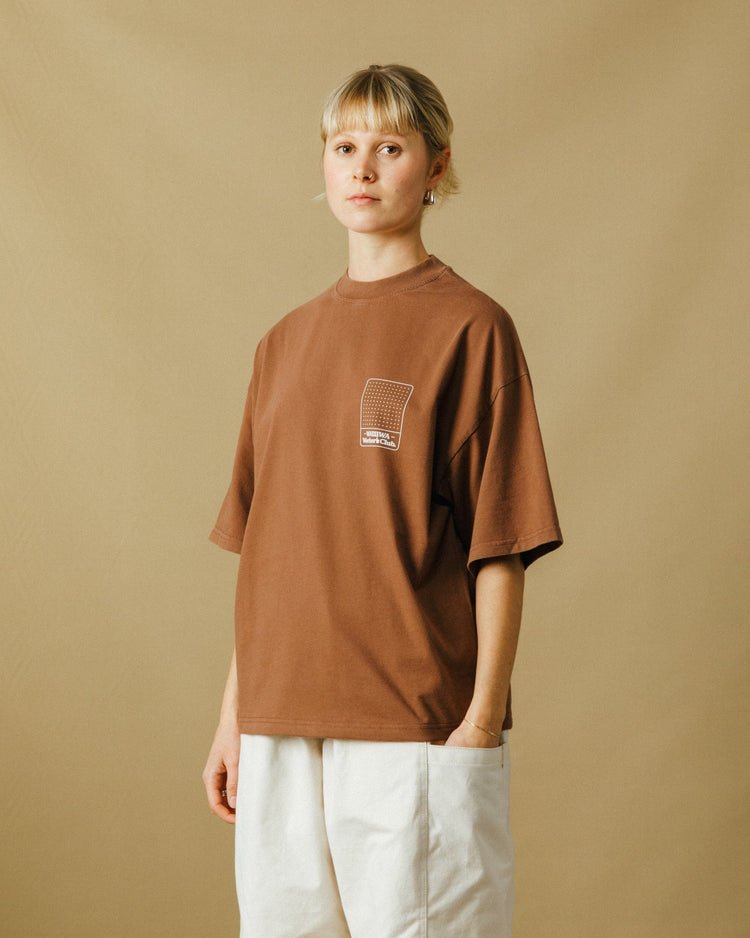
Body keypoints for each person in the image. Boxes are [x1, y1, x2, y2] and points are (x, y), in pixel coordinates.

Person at [202, 63, 563, 938]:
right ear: (324, 165)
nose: (362, 168)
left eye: (389, 148)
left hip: (413, 724)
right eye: (344, 147)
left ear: (437, 165)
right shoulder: (282, 345)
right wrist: (233, 718)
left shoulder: (472, 327)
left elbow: (501, 544)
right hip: (280, 727)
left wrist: (480, 721)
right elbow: (271, 553)